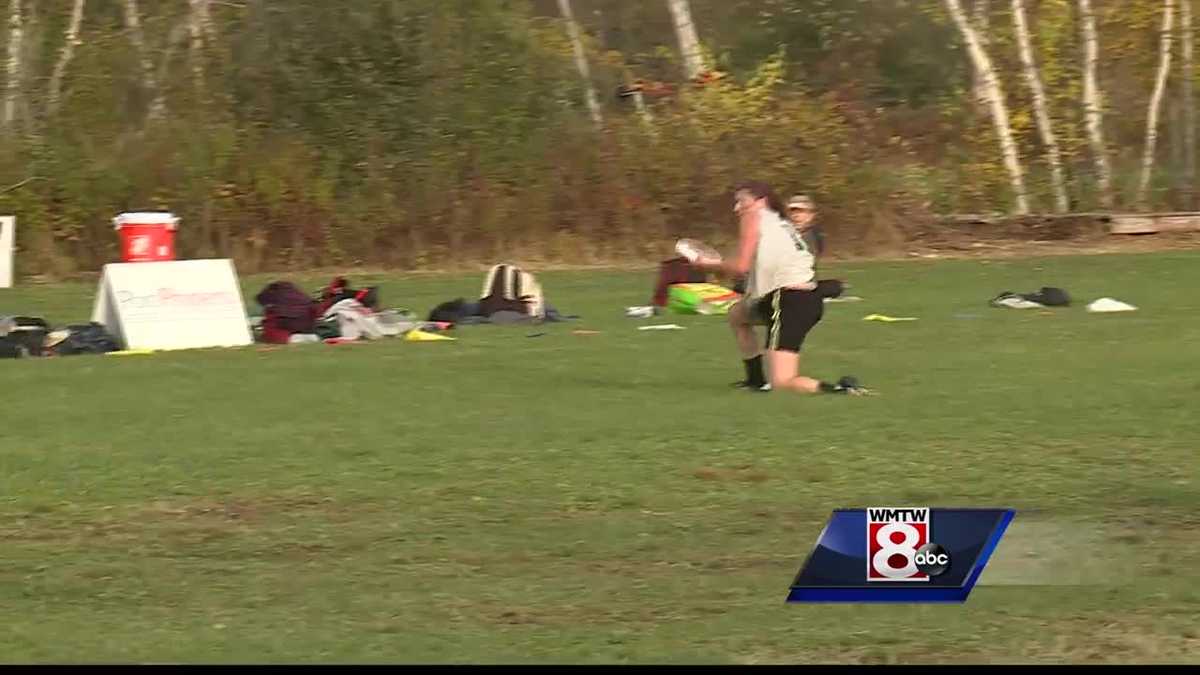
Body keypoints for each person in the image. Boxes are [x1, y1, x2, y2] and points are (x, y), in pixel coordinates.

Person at [693, 180, 869, 395]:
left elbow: (740, 266)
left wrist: (710, 265)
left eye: (742, 202)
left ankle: (840, 390)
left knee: (783, 382)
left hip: (787, 301)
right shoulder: (781, 223)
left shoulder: (754, 217)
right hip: (805, 299)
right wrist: (721, 270)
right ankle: (755, 381)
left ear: (761, 201)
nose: (737, 208)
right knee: (737, 315)